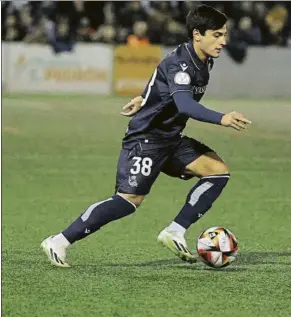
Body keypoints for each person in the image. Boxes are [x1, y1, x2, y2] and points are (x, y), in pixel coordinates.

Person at [41, 5, 251, 268]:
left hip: (171, 138)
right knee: (128, 202)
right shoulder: (181, 63)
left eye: (224, 34)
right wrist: (222, 118)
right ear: (197, 34)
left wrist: (145, 98)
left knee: (217, 172)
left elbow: (161, 82)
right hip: (146, 139)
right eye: (217, 35)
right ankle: (59, 241)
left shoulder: (204, 59)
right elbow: (185, 104)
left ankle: (174, 231)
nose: (223, 41)